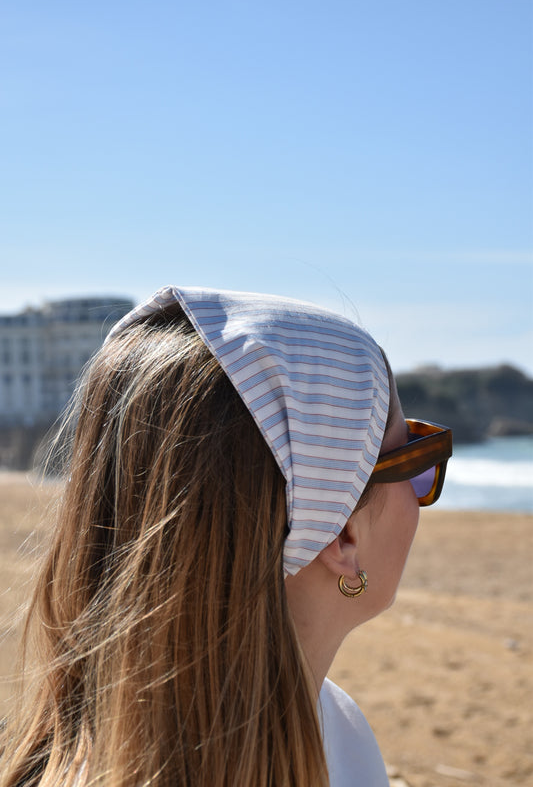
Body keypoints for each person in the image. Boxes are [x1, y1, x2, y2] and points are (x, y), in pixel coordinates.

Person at [0, 285, 452, 787]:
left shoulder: (72, 759)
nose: (422, 489)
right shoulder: (341, 742)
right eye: (416, 458)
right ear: (342, 532)